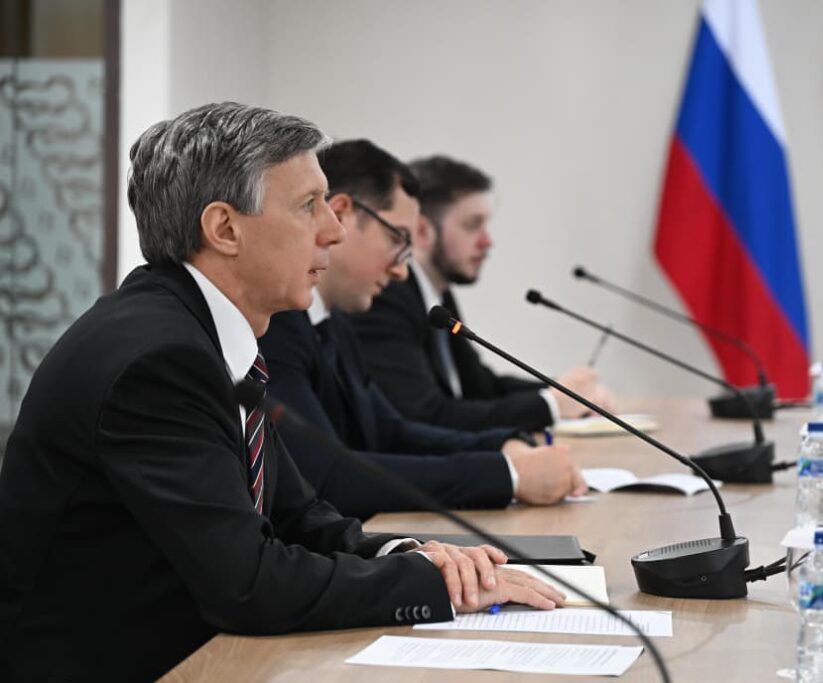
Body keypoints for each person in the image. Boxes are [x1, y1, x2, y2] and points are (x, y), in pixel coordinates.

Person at [0, 104, 564, 682]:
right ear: (225, 229)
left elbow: (298, 516)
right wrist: (428, 585)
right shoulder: (159, 360)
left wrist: (414, 555)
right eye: (308, 205)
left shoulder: (200, 331)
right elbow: (249, 584)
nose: (334, 230)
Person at [260, 140, 585, 518]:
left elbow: (391, 431)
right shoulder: (276, 326)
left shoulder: (335, 322)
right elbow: (329, 479)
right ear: (342, 216)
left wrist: (502, 446)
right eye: (397, 240)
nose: (402, 271)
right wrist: (508, 475)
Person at [351, 155, 614, 432]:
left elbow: (480, 386)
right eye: (472, 225)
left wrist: (566, 393)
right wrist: (550, 405)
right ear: (424, 231)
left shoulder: (437, 295)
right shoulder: (388, 297)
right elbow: (426, 414)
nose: (487, 241)